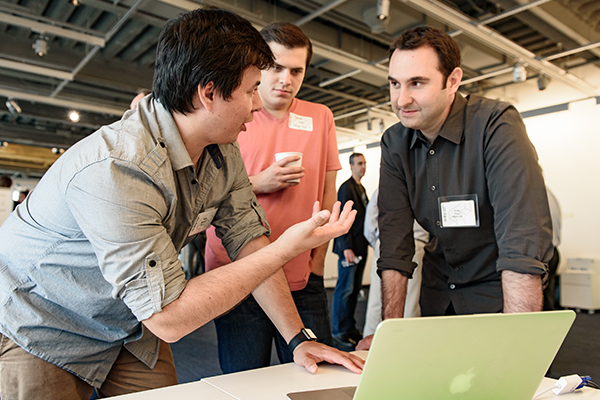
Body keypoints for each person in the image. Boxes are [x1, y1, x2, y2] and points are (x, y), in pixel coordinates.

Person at [0, 9, 363, 400]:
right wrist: (287, 248)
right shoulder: (117, 168)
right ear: (208, 93)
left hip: (127, 323)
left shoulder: (222, 148)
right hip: (43, 323)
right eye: (250, 90)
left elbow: (248, 239)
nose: (257, 105)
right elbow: (170, 317)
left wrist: (297, 339)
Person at [358, 26, 553, 349]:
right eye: (394, 84)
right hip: (438, 297)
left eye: (417, 83)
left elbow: (521, 242)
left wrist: (520, 347)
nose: (401, 99)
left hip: (497, 297)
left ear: (452, 80)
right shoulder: (394, 142)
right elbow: (394, 245)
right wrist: (387, 335)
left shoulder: (495, 125)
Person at [204, 22, 340, 373]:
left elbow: (327, 191)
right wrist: (258, 183)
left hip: (301, 273)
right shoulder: (230, 114)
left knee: (316, 378)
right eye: (276, 67)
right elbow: (204, 192)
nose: (286, 79)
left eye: (296, 70)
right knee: (245, 379)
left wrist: (319, 262)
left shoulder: (321, 117)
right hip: (238, 272)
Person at [362, 188, 428, 337]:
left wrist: (378, 244)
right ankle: (407, 342)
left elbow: (369, 224)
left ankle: (370, 344)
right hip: (415, 242)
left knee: (376, 297)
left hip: (385, 243)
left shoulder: (382, 188)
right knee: (410, 298)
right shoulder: (421, 187)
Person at [331, 152, 369, 350]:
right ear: (351, 166)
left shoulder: (360, 188)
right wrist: (346, 247)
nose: (363, 167)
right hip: (350, 249)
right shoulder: (346, 188)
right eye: (359, 164)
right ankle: (338, 332)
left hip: (360, 248)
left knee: (354, 290)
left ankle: (349, 327)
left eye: (364, 163)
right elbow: (342, 219)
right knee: (344, 290)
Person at [544, 187, 562, 310]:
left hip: (542, 252)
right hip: (553, 250)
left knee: (540, 299)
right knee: (546, 296)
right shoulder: (549, 193)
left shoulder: (531, 193)